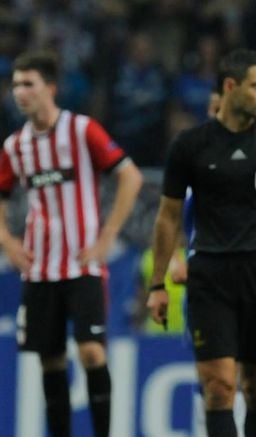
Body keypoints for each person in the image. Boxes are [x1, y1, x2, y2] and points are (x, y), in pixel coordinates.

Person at [146, 49, 256, 437]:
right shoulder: (190, 145)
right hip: (210, 274)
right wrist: (157, 284)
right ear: (230, 87)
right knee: (219, 388)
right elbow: (168, 215)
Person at [0, 50, 143, 437]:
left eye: (28, 84)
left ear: (50, 87)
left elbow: (130, 177)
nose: (19, 92)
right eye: (15, 85)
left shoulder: (81, 131)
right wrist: (7, 241)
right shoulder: (16, 146)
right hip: (39, 268)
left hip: (83, 264)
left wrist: (107, 237)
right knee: (50, 361)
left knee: (92, 351)